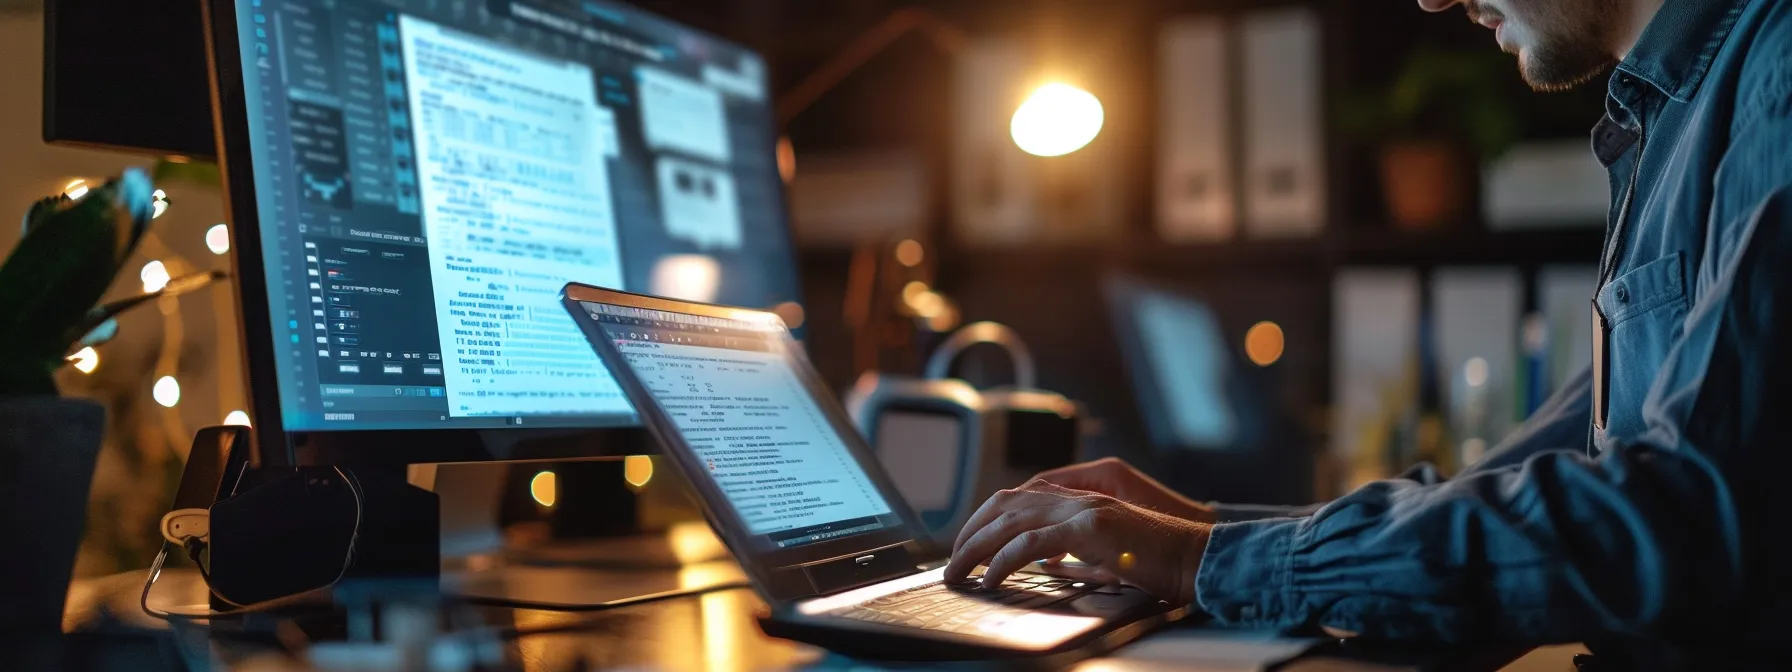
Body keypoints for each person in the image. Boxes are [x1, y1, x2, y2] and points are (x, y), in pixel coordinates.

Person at [943, 0, 1792, 665]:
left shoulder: (1776, 77)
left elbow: (1681, 517)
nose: (1433, 0)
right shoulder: (1669, 120)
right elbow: (1548, 477)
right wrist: (1209, 531)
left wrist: (1203, 561)